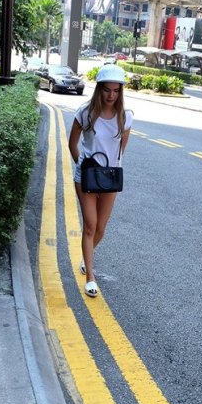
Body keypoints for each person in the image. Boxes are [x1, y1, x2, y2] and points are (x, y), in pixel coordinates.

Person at [68, 64, 133, 298]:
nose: (111, 95)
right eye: (107, 90)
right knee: (90, 226)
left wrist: (110, 168)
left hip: (110, 178)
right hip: (86, 177)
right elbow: (72, 144)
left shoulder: (125, 118)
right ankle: (90, 276)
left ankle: (87, 256)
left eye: (116, 91)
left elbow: (120, 152)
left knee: (102, 229)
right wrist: (82, 166)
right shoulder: (85, 113)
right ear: (99, 89)